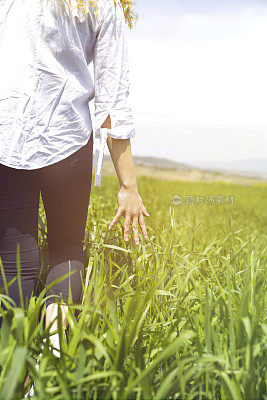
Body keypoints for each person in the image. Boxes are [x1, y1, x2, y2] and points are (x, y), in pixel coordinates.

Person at [0, 0, 150, 341]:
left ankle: (12, 366)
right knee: (67, 249)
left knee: (14, 259)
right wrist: (129, 186)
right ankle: (53, 361)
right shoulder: (103, 5)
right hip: (67, 141)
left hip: (8, 136)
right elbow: (113, 102)